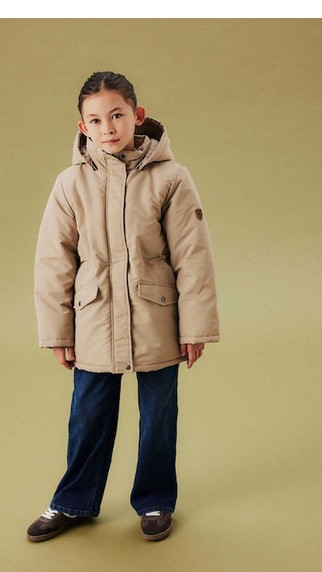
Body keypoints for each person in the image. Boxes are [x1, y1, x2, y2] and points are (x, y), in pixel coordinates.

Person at [26, 71, 220, 543]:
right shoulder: (69, 185)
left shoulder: (171, 178)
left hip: (158, 317)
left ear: (137, 116)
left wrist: (195, 328)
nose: (108, 127)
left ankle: (155, 500)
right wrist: (58, 332)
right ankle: (73, 501)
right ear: (83, 127)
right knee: (87, 415)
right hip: (94, 317)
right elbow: (54, 261)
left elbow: (192, 256)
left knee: (159, 417)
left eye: (116, 115)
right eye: (95, 120)